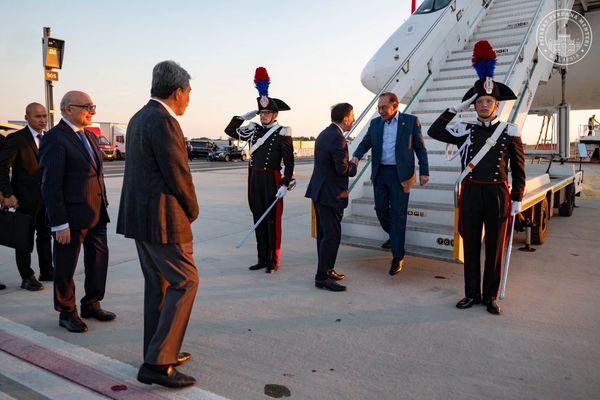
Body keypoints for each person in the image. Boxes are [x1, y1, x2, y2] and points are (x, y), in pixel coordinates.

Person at [427, 40, 526, 315]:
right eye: (479, 101)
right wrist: (456, 109)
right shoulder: (464, 129)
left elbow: (519, 169)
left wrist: (517, 198)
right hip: (471, 192)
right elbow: (434, 131)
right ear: (474, 104)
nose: (484, 105)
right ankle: (471, 294)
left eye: (488, 101)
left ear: (496, 104)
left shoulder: (510, 131)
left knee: (494, 246)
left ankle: (490, 296)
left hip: (497, 194)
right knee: (470, 245)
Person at [116, 60, 198, 389]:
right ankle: (158, 362)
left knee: (158, 285)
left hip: (141, 218)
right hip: (163, 219)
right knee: (186, 281)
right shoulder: (164, 121)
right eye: (188, 92)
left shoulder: (139, 117)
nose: (189, 99)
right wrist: (192, 209)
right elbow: (178, 174)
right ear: (177, 91)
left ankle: (159, 350)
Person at [39, 90, 114, 333]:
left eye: (93, 106)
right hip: (70, 218)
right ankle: (67, 311)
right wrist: (59, 223)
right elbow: (50, 184)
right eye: (87, 107)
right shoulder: (55, 138)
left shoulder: (89, 136)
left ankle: (91, 303)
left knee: (98, 261)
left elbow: (96, 175)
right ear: (68, 109)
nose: (92, 111)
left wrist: (103, 203)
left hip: (96, 213)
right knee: (65, 267)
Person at [224, 67, 294, 273]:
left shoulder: (282, 132)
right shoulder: (253, 129)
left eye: (267, 113)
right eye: (261, 112)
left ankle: (273, 260)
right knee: (258, 217)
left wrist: (285, 183)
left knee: (272, 220)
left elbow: (289, 162)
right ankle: (262, 258)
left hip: (272, 179)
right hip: (255, 178)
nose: (263, 116)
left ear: (275, 114)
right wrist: (242, 117)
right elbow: (229, 131)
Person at [351, 92, 429, 276]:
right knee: (380, 209)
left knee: (399, 215)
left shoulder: (411, 122)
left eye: (384, 107)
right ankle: (394, 236)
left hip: (401, 175)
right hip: (380, 174)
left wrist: (424, 170)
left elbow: (420, 148)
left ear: (395, 106)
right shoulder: (375, 123)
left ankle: (398, 257)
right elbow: (366, 142)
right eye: (378, 108)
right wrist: (356, 156)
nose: (380, 111)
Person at [0, 103, 54, 291]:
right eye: (38, 116)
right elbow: (2, 167)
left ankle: (47, 270)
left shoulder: (49, 138)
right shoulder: (17, 139)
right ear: (27, 118)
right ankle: (27, 276)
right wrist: (8, 193)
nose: (42, 120)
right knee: (24, 239)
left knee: (45, 235)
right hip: (24, 198)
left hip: (47, 197)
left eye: (44, 116)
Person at [305, 103, 357, 292]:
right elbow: (342, 169)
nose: (353, 120)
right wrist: (353, 165)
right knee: (332, 236)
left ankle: (327, 269)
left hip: (319, 192)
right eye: (352, 116)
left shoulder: (324, 134)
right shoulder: (338, 138)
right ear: (345, 118)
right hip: (331, 195)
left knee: (324, 235)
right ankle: (322, 277)